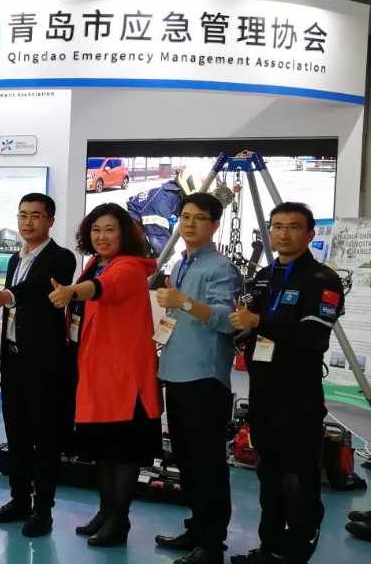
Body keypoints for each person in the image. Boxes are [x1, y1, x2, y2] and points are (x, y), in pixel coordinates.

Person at [229, 202, 345, 564]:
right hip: (263, 390)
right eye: (277, 226)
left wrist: (259, 322)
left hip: (298, 394)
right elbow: (254, 322)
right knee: (269, 473)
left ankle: (297, 551)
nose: (283, 234)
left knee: (298, 477)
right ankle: (270, 548)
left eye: (293, 227)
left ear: (309, 234)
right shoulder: (266, 276)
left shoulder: (322, 279)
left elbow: (313, 336)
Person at [48, 202, 161, 548]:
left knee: (123, 451)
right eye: (96, 230)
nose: (102, 236)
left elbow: (103, 288)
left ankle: (119, 519)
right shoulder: (95, 263)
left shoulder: (128, 267)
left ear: (124, 234)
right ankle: (106, 511)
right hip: (97, 372)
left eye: (110, 229)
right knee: (103, 450)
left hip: (124, 375)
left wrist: (71, 291)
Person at [0, 194, 77, 537]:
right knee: (17, 436)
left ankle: (43, 509)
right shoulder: (14, 259)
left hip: (44, 364)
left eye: (36, 215)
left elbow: (37, 289)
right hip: (13, 359)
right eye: (22, 215)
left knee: (45, 439)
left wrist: (7, 296)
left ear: (50, 220)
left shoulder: (61, 258)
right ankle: (19, 500)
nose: (27, 222)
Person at [154, 193, 241, 564]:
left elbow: (227, 321)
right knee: (186, 461)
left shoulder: (222, 268)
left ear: (215, 224)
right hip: (176, 372)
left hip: (205, 378)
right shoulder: (180, 264)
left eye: (199, 218)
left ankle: (212, 544)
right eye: (185, 217)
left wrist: (185, 302)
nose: (189, 224)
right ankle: (196, 528)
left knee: (207, 465)